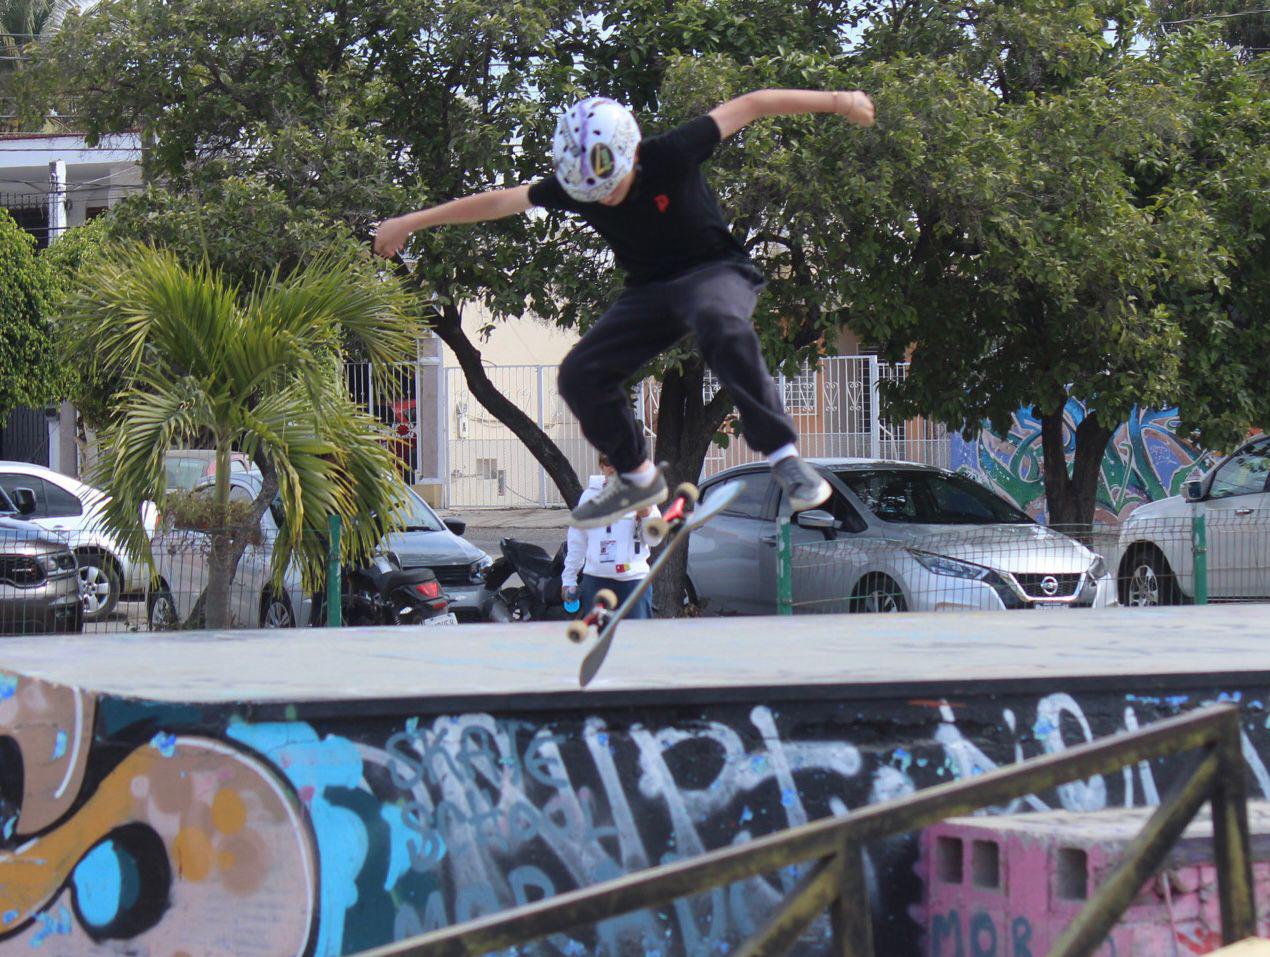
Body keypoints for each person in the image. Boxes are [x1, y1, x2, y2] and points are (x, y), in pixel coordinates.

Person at [375, 87, 876, 528]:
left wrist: (839, 102)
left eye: (612, 186)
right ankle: (638, 477)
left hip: (715, 272)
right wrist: (412, 222)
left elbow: (754, 104)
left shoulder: (670, 153)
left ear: (631, 156)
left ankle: (785, 457)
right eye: (594, 194)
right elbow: (497, 202)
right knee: (579, 374)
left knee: (719, 324)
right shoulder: (577, 188)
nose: (606, 200)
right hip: (649, 292)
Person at [560, 454, 659, 619]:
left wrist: (647, 515)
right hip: (596, 582)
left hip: (634, 582)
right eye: (608, 461)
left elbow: (654, 540)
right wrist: (569, 578)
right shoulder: (588, 497)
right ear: (601, 466)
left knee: (636, 640)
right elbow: (577, 542)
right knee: (599, 640)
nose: (614, 466)